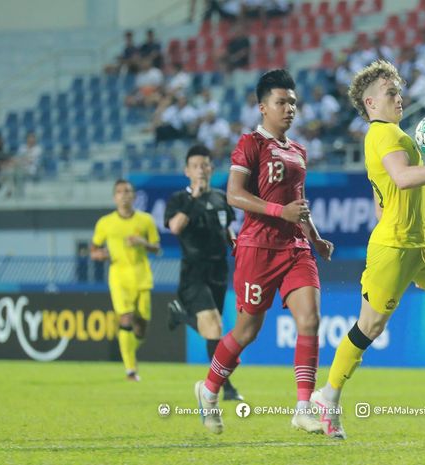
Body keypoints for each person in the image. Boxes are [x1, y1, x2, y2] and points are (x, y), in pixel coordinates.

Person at [311, 60, 425, 440]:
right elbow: (404, 179)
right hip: (394, 248)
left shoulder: (394, 134)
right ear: (371, 104)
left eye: (399, 91)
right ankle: (328, 396)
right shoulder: (382, 134)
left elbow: (384, 193)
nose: (399, 98)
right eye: (391, 93)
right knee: (369, 328)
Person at [193, 69, 334, 435]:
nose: (289, 109)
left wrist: (315, 237)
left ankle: (303, 407)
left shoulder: (299, 152)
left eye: (293, 103)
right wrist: (278, 212)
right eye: (281, 102)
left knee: (310, 320)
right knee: (247, 330)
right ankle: (208, 390)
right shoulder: (249, 144)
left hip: (295, 248)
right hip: (257, 248)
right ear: (262, 107)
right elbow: (234, 195)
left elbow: (298, 204)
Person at [165, 144, 243, 401]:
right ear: (187, 171)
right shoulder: (180, 199)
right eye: (196, 166)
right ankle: (226, 388)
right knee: (214, 327)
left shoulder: (221, 197)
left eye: (205, 165)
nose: (201, 170)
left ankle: (180, 314)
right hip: (193, 272)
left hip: (219, 272)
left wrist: (236, 245)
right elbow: (175, 227)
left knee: (214, 331)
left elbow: (227, 229)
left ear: (211, 168)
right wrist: (194, 200)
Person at [91, 180, 161, 381]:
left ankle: (129, 350)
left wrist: (142, 242)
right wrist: (100, 255)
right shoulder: (105, 223)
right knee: (126, 317)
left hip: (142, 277)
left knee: (141, 328)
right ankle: (130, 370)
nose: (124, 195)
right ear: (115, 197)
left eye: (128, 191)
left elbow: (157, 248)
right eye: (120, 192)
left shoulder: (145, 220)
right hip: (118, 277)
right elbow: (93, 249)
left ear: (134, 196)